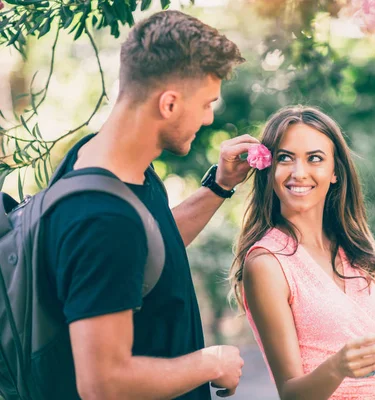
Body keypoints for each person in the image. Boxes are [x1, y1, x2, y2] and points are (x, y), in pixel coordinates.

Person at [40, 10, 259, 399]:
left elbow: (151, 248)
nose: (209, 118)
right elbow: (103, 383)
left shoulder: (104, 161)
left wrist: (220, 186)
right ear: (169, 104)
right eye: (207, 103)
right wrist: (211, 363)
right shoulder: (101, 217)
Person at [229, 106, 375, 400]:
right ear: (270, 170)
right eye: (285, 158)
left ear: (335, 173)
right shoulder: (267, 263)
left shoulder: (360, 249)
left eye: (314, 158)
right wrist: (338, 366)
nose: (298, 172)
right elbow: (292, 394)